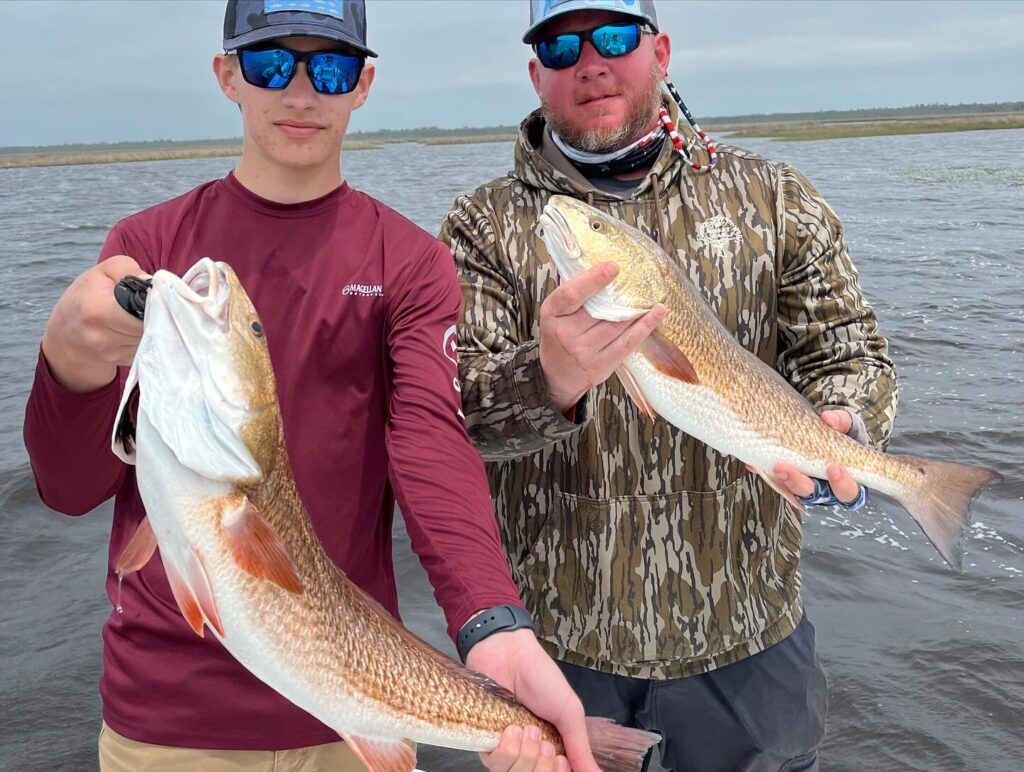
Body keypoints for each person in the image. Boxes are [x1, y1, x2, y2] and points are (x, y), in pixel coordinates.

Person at [22, 2, 597, 770]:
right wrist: (71, 363)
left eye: (327, 68)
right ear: (227, 76)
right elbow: (68, 486)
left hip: (355, 704)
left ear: (361, 84)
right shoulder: (147, 248)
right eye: (269, 64)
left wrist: (493, 623)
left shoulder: (412, 262)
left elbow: (432, 443)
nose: (299, 92)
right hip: (166, 721)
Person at [439, 1, 898, 770]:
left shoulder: (773, 197)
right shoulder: (482, 226)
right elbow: (452, 424)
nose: (590, 61)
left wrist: (844, 426)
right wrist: (545, 379)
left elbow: (854, 352)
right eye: (560, 46)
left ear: (661, 51)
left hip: (750, 643)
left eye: (615, 37)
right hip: (557, 652)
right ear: (535, 74)